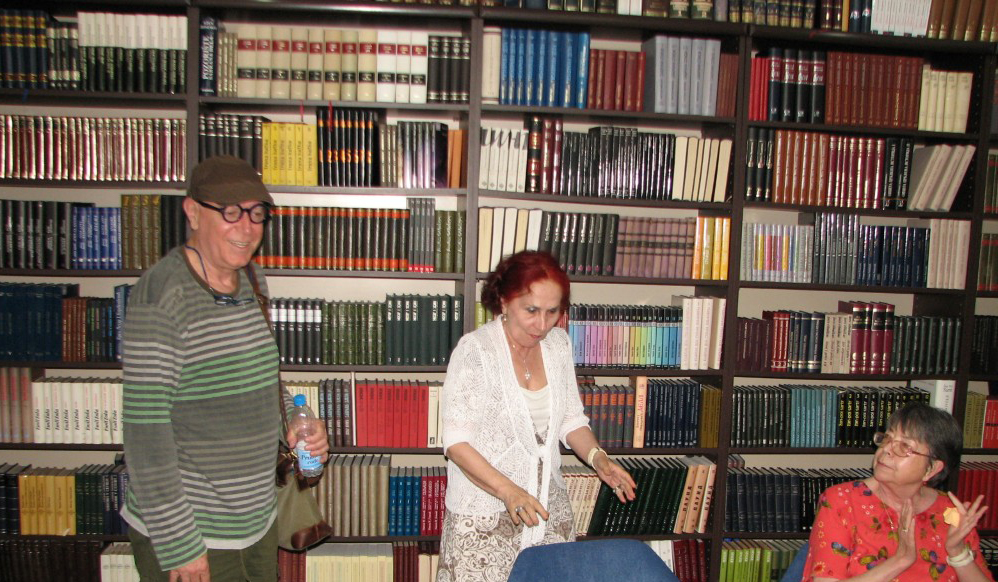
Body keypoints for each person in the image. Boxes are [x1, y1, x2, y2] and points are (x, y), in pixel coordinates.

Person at [121, 156, 329, 582]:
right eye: (231, 212)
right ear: (193, 212)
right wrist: (180, 545)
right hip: (195, 535)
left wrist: (295, 422)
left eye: (256, 213)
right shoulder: (161, 296)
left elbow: (261, 381)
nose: (247, 228)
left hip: (256, 522)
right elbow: (145, 436)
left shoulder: (252, 280)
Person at [436, 250, 637, 582]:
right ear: (504, 301)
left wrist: (598, 458)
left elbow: (571, 420)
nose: (542, 325)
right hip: (484, 521)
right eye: (531, 310)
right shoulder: (476, 351)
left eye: (552, 312)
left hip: (548, 513)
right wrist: (509, 491)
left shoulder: (558, 345)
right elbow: (457, 444)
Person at [802, 401, 993, 582]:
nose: (886, 449)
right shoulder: (843, 501)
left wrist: (957, 551)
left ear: (932, 469)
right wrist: (901, 559)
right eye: (887, 438)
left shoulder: (950, 512)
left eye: (905, 446)